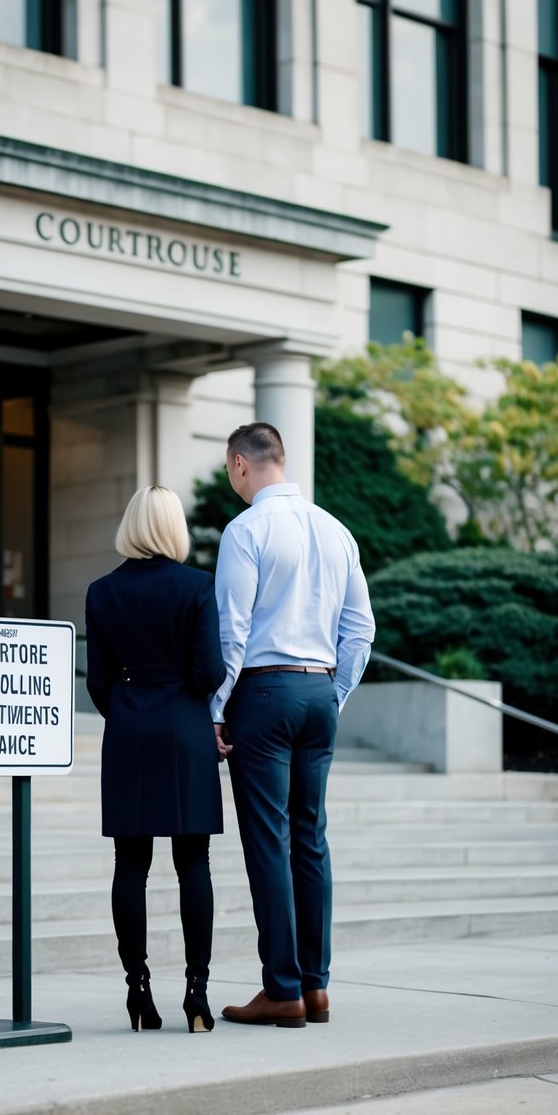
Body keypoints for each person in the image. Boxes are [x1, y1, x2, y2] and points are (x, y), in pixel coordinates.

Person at [211, 422, 375, 1028]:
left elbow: (233, 629)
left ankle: (281, 989)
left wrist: (216, 708)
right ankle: (316, 987)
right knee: (310, 838)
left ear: (241, 465)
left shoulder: (246, 529)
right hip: (317, 692)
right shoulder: (336, 530)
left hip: (265, 691)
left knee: (269, 842)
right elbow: (361, 629)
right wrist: (332, 694)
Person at [85, 485, 227, 1033]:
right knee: (194, 863)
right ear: (173, 527)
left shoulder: (102, 592)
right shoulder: (196, 587)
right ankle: (197, 994)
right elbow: (210, 671)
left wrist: (126, 707)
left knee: (130, 865)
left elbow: (97, 680)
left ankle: (137, 989)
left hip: (127, 731)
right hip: (185, 730)